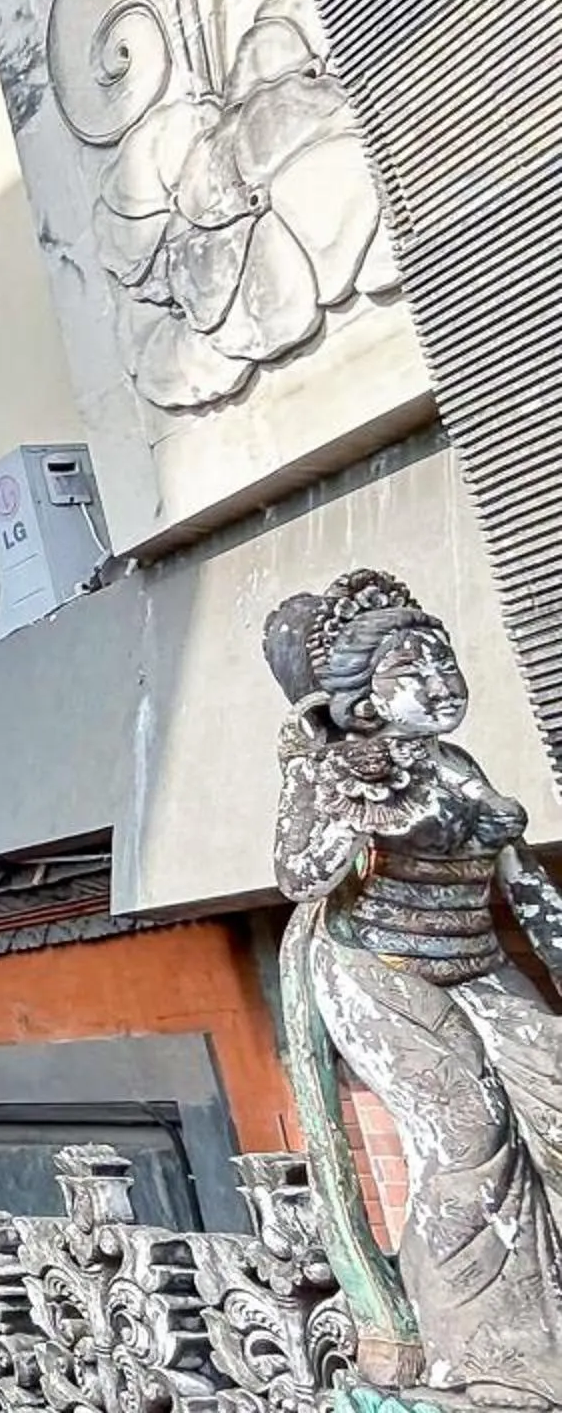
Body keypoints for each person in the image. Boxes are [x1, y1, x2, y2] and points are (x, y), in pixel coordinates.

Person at [265, 570, 562, 1402]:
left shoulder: (459, 765)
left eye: (445, 665)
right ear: (362, 697)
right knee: (468, 1139)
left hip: (476, 958)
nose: (438, 685)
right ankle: (482, 1356)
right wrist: (348, 799)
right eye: (410, 672)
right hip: (378, 966)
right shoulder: (332, 771)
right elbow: (299, 875)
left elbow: (525, 886)